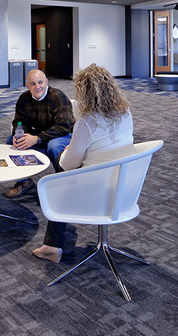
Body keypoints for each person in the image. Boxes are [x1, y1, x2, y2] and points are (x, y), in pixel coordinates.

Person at [32, 64, 134, 264]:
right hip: (124, 184)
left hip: (96, 189)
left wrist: (69, 149)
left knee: (59, 175)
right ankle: (52, 243)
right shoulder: (125, 112)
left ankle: (53, 245)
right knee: (64, 173)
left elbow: (69, 164)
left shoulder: (88, 121)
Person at [5, 69, 74, 199]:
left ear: (46, 82)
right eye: (33, 84)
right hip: (37, 134)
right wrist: (19, 135)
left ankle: (63, 184)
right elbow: (19, 122)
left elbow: (63, 126)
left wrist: (37, 139)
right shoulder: (24, 99)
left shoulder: (58, 97)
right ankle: (24, 181)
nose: (37, 87)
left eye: (40, 82)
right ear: (28, 86)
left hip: (59, 135)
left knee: (54, 146)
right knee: (11, 141)